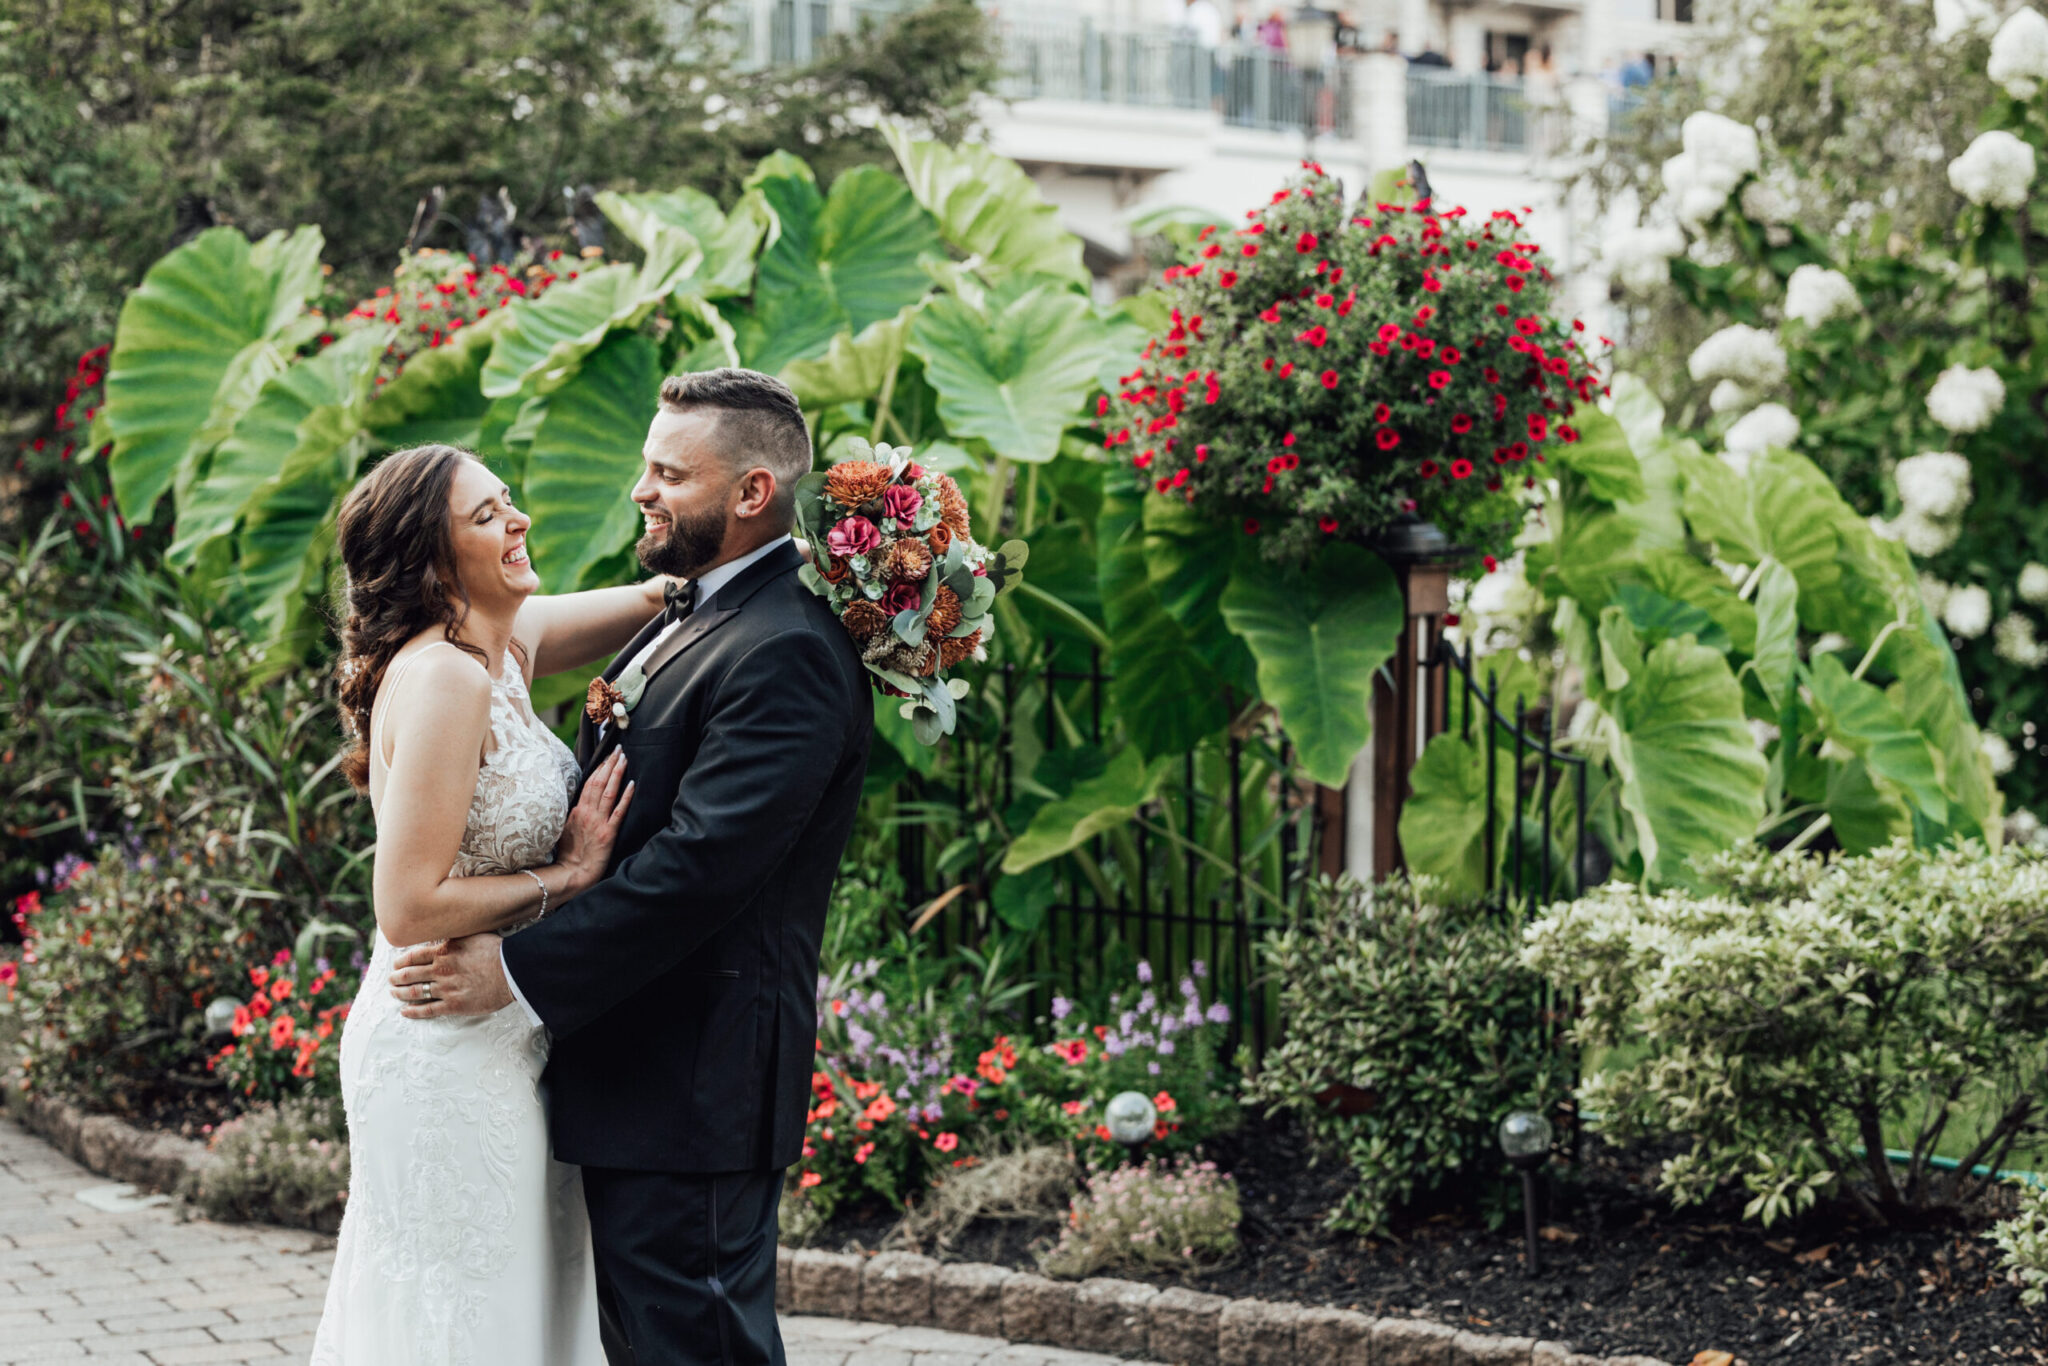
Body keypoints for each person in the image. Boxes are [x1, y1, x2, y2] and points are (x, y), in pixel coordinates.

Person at [383, 368, 873, 1366]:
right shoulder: (696, 607)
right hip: (634, 1068)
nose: (640, 490)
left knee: (693, 1346)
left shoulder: (785, 649)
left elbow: (699, 868)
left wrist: (515, 970)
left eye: (667, 472)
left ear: (751, 495)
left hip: (694, 1077)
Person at [308, 440, 650, 1365]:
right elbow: (408, 905)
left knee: (516, 1302)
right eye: (487, 515)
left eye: (510, 501)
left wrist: (828, 561)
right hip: (443, 1040)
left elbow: (663, 602)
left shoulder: (503, 646)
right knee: (467, 1316)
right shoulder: (450, 677)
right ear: (433, 559)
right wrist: (567, 878)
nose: (520, 520)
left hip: (503, 1030)